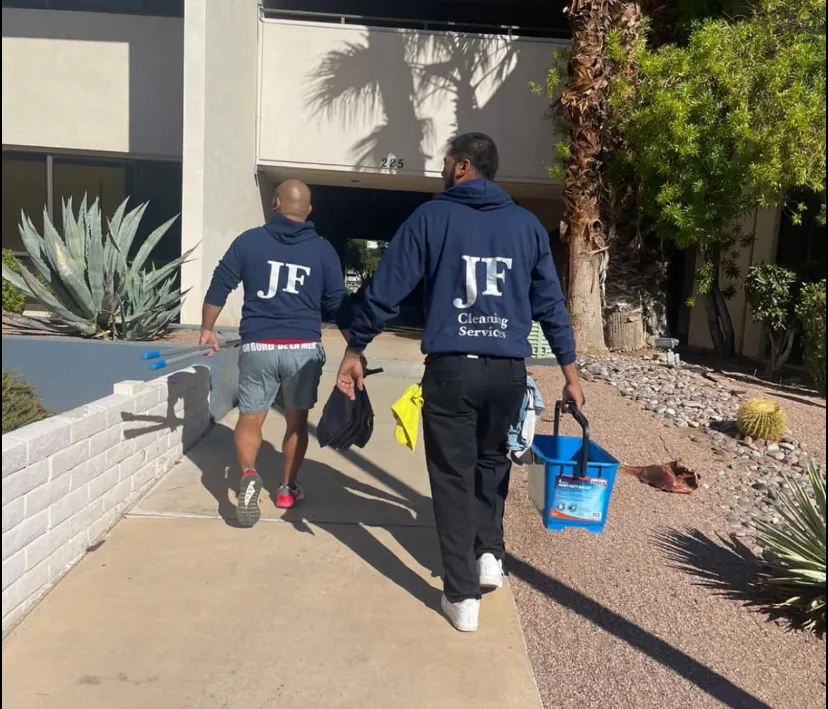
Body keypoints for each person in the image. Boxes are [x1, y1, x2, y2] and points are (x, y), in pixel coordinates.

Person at [335, 133, 585, 632]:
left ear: (464, 166)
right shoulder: (527, 226)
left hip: (453, 368)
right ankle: (490, 554)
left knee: (451, 476)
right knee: (492, 462)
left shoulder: (430, 218)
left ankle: (461, 595)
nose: (442, 169)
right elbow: (551, 305)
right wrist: (570, 372)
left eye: (446, 162)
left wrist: (356, 346)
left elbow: (387, 289)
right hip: (508, 373)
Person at [200, 180, 352, 527]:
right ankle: (286, 489)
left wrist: (207, 330)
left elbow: (220, 283)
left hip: (259, 345)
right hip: (302, 348)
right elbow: (337, 304)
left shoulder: (249, 241)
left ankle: (249, 473)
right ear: (308, 211)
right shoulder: (323, 249)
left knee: (251, 419)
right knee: (296, 422)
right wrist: (353, 347)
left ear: (274, 204)